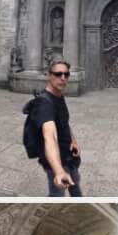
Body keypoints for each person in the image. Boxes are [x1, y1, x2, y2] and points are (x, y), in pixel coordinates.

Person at [32, 61, 82, 197]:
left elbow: (64, 122)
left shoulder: (59, 95)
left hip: (69, 155)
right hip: (56, 161)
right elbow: (50, 136)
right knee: (57, 195)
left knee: (76, 186)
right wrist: (59, 171)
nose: (63, 78)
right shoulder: (44, 104)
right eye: (58, 74)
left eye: (66, 74)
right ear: (49, 75)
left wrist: (74, 140)